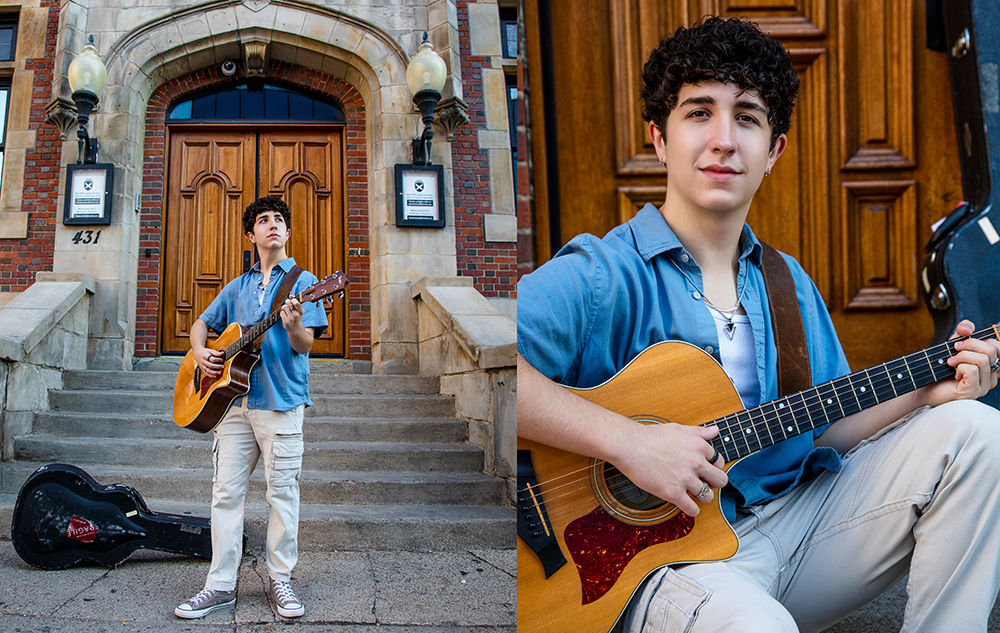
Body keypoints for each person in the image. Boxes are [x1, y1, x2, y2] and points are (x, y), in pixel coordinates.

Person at [517, 16, 1000, 633]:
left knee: (975, 432)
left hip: (791, 532)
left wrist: (926, 393)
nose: (723, 139)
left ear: (773, 150)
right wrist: (628, 443)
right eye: (698, 113)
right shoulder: (599, 274)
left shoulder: (786, 282)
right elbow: (485, 375)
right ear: (659, 139)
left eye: (746, 117)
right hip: (656, 563)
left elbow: (820, 431)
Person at [174, 195, 328, 620]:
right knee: (225, 494)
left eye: (279, 219)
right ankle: (220, 585)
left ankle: (280, 580)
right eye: (264, 220)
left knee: (282, 494)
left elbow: (305, 345)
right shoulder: (237, 287)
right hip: (233, 404)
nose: (272, 225)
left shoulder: (306, 281)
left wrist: (295, 325)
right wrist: (201, 351)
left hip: (280, 402)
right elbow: (202, 322)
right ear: (251, 234)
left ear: (288, 232)